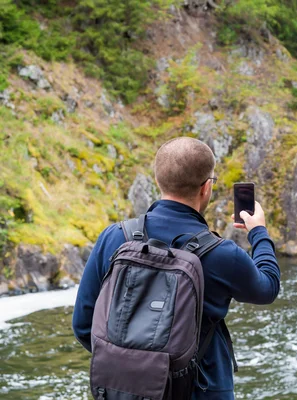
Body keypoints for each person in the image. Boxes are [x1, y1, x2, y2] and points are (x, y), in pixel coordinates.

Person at [72, 137, 281, 399]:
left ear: (157, 180)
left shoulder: (114, 237)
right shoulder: (222, 253)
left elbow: (83, 324)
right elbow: (268, 286)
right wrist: (259, 232)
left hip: (126, 390)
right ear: (206, 188)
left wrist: (136, 366)